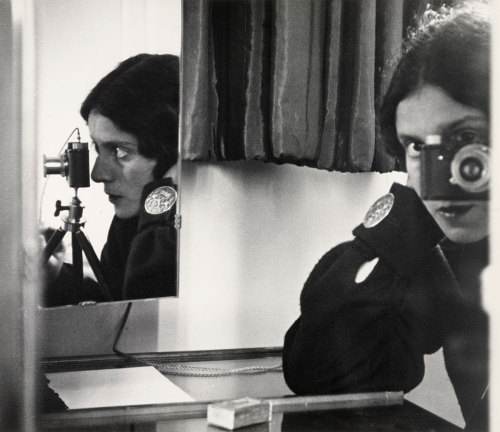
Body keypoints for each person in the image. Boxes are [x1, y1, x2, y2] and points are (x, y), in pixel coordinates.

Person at [282, 3, 490, 430]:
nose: (438, 172)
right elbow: (323, 375)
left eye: (466, 136)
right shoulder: (455, 249)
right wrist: (406, 224)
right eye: (416, 146)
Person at [43, 53, 179, 305]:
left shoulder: (201, 229)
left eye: (120, 151)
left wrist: (160, 201)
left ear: (172, 156)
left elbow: (146, 317)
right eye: (97, 148)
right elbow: (114, 303)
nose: (97, 174)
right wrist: (54, 276)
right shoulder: (128, 221)